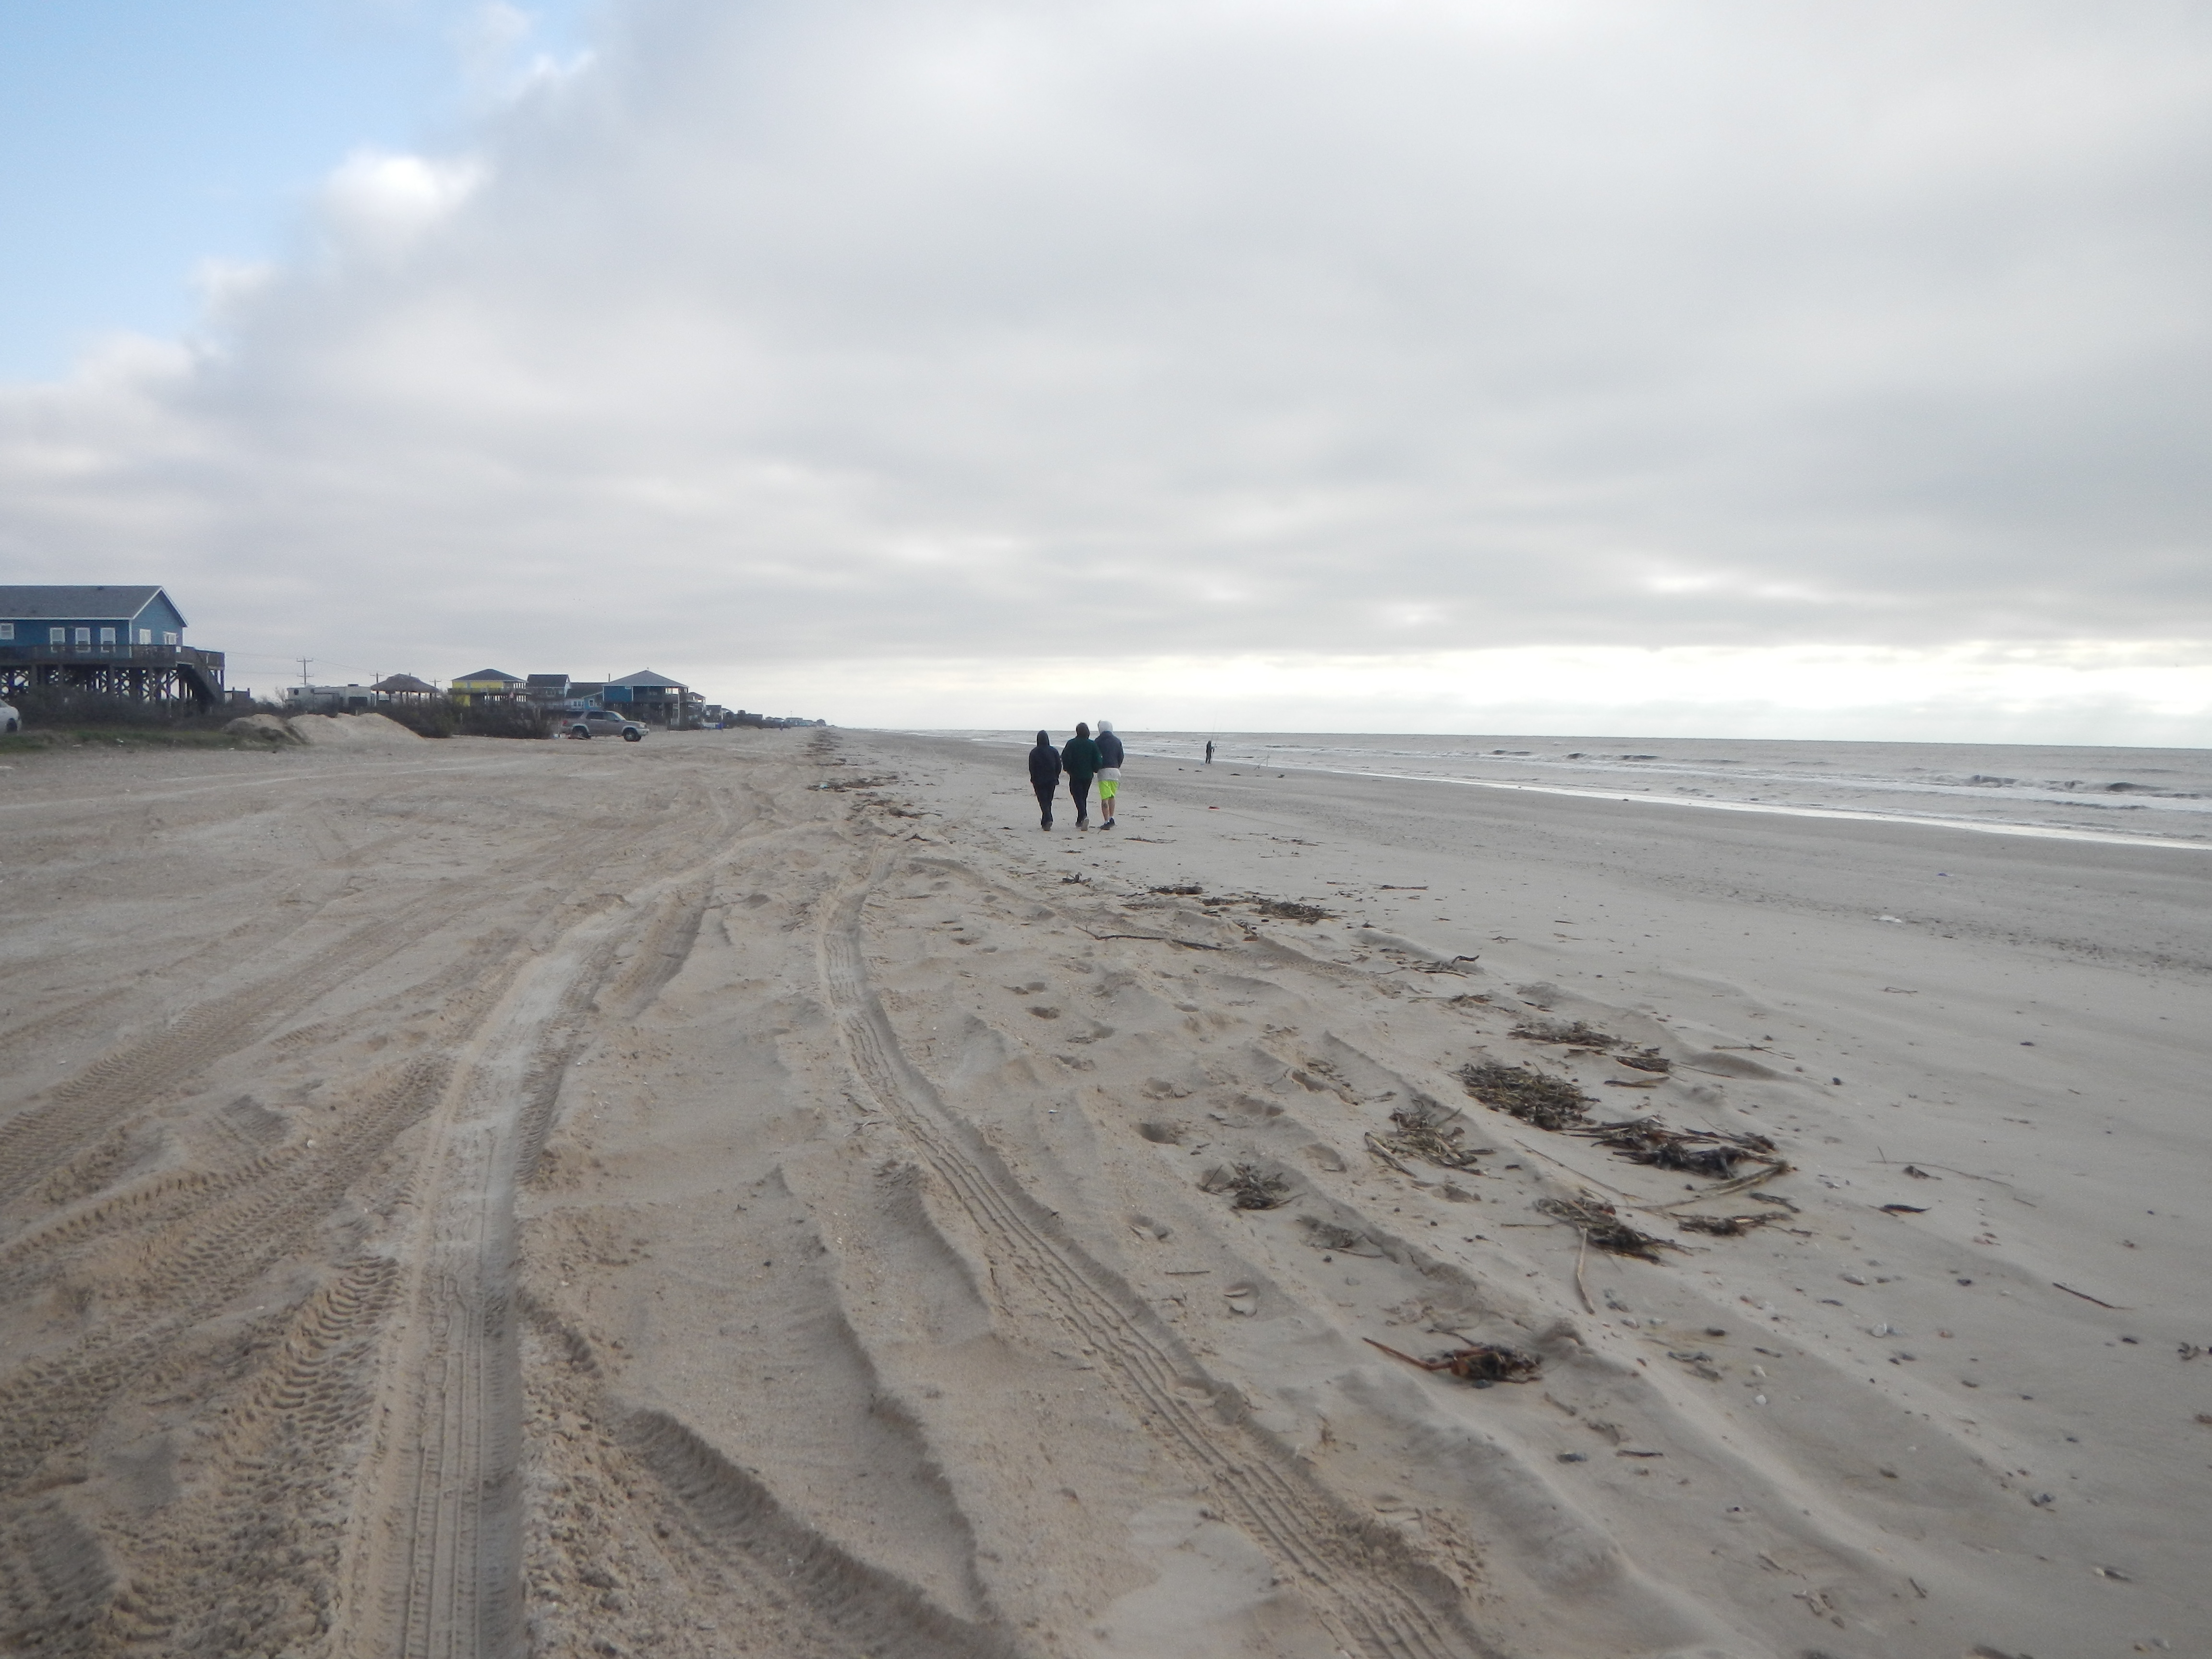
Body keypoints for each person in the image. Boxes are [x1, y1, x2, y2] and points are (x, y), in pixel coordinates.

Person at [1062, 721, 1102, 829]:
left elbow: (1066, 757)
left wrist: (1067, 768)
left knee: (1077, 795)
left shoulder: (1071, 744)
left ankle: (1084, 816)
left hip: (1075, 774)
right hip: (1088, 775)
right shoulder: (1092, 744)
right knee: (1083, 796)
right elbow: (1098, 759)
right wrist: (1095, 769)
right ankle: (1080, 819)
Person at [1027, 730, 1062, 830]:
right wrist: (1056, 776)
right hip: (1052, 779)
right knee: (1048, 801)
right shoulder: (1054, 751)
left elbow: (1032, 767)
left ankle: (1048, 818)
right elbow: (1059, 765)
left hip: (1039, 780)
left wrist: (1033, 777)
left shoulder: (1034, 752)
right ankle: (1045, 821)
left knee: (1043, 801)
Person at [1095, 720, 1124, 828]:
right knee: (1112, 796)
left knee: (1105, 798)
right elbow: (1121, 756)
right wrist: (1117, 765)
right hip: (1115, 770)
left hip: (1104, 771)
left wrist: (1096, 767)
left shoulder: (1098, 741)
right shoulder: (1117, 741)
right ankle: (1112, 817)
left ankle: (1106, 821)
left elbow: (1096, 756)